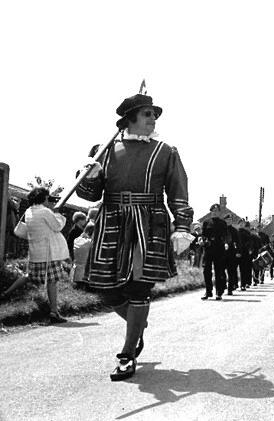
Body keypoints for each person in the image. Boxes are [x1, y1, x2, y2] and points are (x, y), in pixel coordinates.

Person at [76, 93, 193, 381]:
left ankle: (127, 355)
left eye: (154, 114)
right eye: (147, 114)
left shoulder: (167, 151)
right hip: (112, 221)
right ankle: (137, 326)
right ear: (129, 119)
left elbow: (178, 192)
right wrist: (89, 175)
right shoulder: (102, 149)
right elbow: (87, 194)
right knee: (107, 290)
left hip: (149, 223)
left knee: (139, 289)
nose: (153, 118)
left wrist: (183, 226)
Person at [3, 187, 69, 323]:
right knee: (52, 281)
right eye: (47, 197)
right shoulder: (45, 211)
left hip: (36, 251)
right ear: (43, 198)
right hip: (49, 252)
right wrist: (57, 214)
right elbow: (57, 226)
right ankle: (54, 312)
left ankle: (6, 293)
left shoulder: (28, 211)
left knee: (29, 275)